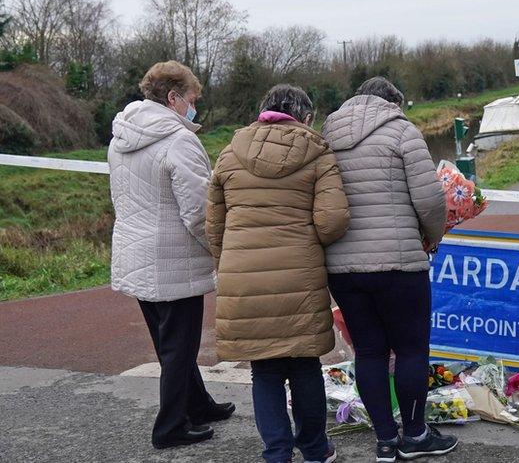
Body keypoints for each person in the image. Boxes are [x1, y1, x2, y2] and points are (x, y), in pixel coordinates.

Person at [206, 84, 350, 463]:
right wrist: (306, 240)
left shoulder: (228, 154)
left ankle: (277, 453)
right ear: (305, 117)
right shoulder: (318, 152)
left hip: (243, 277)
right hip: (298, 276)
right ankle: (316, 449)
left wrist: (231, 263)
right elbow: (332, 221)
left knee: (264, 371)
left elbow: (214, 227)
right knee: (304, 366)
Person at [321, 77, 452, 463]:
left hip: (343, 268)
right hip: (399, 263)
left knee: (370, 352)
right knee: (411, 349)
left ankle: (384, 441)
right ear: (392, 102)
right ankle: (415, 434)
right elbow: (429, 200)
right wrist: (432, 237)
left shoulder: (327, 134)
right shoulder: (402, 131)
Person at [107, 60, 234, 450]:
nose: (195, 107)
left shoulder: (120, 137)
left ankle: (198, 404)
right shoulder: (179, 141)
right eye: (192, 99)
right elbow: (199, 212)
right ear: (174, 97)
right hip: (172, 257)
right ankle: (170, 427)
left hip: (135, 252)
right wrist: (221, 249)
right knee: (180, 346)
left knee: (170, 345)